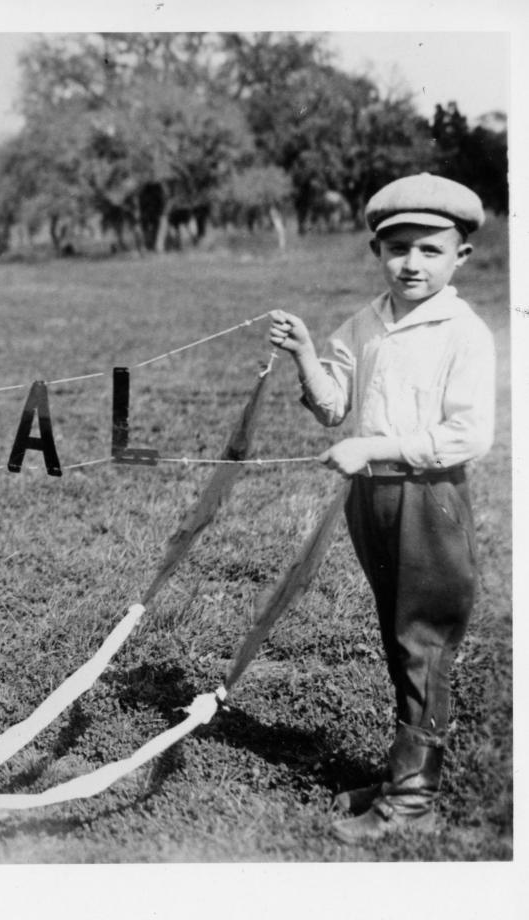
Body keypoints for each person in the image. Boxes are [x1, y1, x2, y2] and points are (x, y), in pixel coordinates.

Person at [267, 173, 494, 843]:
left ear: (462, 257)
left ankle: (414, 804)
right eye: (398, 249)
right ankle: (404, 772)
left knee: (422, 641)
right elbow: (333, 405)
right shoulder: (365, 323)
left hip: (430, 499)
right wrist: (308, 355)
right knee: (399, 637)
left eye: (430, 250)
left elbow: (469, 435)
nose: (412, 264)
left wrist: (377, 446)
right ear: (377, 250)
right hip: (373, 499)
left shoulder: (463, 331)